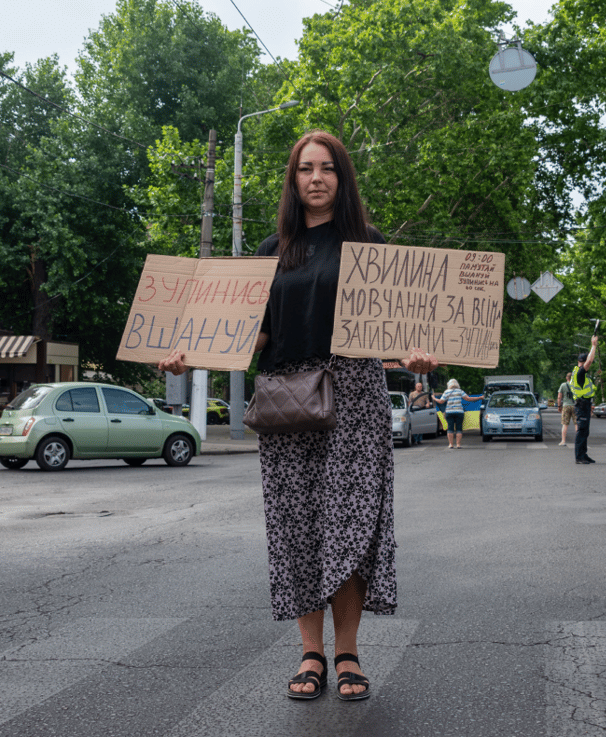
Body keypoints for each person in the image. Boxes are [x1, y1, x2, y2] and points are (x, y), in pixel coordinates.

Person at [158, 130, 436, 702]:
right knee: (299, 527)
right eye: (306, 168)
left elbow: (390, 332)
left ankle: (349, 652)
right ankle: (311, 654)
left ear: (343, 178)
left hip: (355, 395)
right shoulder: (269, 252)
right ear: (293, 179)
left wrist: (413, 355)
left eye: (327, 168)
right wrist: (191, 349)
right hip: (288, 397)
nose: (316, 178)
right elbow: (249, 335)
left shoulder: (370, 245)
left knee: (352, 529)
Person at [571, 338, 599, 464]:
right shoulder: (580, 373)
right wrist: (593, 345)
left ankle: (584, 454)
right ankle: (579, 457)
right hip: (581, 406)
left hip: (584, 405)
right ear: (583, 362)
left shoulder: (579, 373)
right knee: (582, 430)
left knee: (585, 431)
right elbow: (590, 361)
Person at [432, 379, 481, 449]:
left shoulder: (447, 392)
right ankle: (458, 444)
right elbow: (468, 399)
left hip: (449, 412)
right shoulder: (460, 391)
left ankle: (451, 444)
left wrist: (434, 398)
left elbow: (441, 401)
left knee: (450, 428)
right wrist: (479, 397)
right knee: (459, 429)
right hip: (459, 412)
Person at [556, 376, 575, 447]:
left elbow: (559, 397)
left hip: (566, 406)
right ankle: (579, 441)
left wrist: (559, 406)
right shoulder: (576, 385)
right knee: (577, 424)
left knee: (565, 424)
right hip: (575, 406)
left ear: (567, 378)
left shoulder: (563, 385)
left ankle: (563, 441)